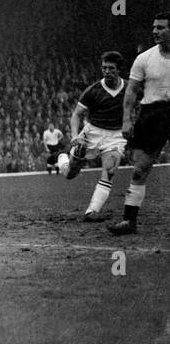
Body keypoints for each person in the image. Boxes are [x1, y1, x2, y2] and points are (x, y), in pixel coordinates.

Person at [110, 16, 170, 236]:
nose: (155, 31)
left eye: (161, 28)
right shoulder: (144, 58)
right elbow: (132, 92)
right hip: (152, 114)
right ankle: (129, 221)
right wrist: (126, 119)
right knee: (139, 169)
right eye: (153, 27)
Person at [64, 52, 129, 221]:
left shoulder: (129, 88)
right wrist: (74, 136)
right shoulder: (92, 91)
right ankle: (63, 159)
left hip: (116, 135)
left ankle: (92, 211)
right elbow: (76, 115)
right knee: (71, 172)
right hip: (92, 133)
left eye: (111, 68)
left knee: (110, 169)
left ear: (119, 69)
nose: (107, 71)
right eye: (104, 68)